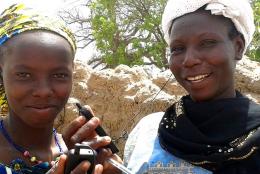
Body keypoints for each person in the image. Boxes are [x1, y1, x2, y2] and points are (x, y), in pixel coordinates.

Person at [121, 0, 260, 173]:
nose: (189, 60)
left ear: (238, 47)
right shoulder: (147, 132)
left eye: (207, 43)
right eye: (178, 48)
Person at [0, 3, 112, 174]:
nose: (43, 91)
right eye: (24, 75)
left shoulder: (74, 152)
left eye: (59, 75)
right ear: (1, 73)